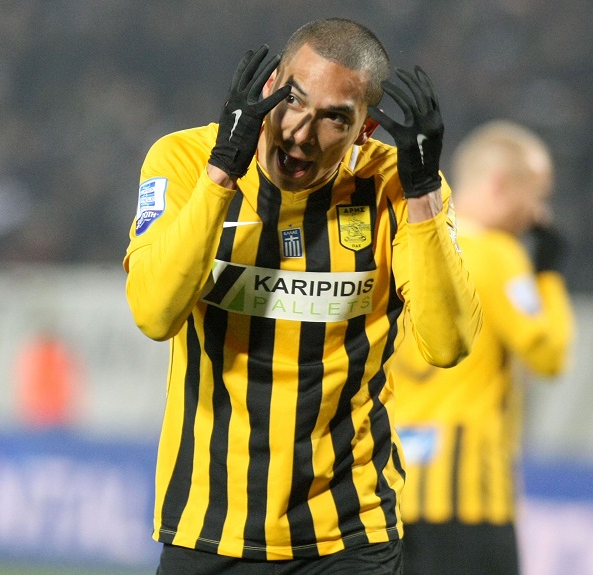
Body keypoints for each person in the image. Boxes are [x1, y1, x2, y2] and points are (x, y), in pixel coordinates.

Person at [122, 18, 483, 575]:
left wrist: (423, 194)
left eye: (334, 117)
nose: (300, 132)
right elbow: (154, 313)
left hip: (349, 534)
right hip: (208, 526)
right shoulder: (186, 160)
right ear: (269, 88)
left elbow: (448, 343)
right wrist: (223, 171)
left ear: (365, 130)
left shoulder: (395, 185)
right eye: (292, 100)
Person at [389, 120, 575, 575]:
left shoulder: (402, 245)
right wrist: (548, 277)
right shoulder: (496, 255)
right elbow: (548, 354)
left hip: (390, 490)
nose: (538, 213)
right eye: (536, 195)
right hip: (467, 494)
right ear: (499, 184)